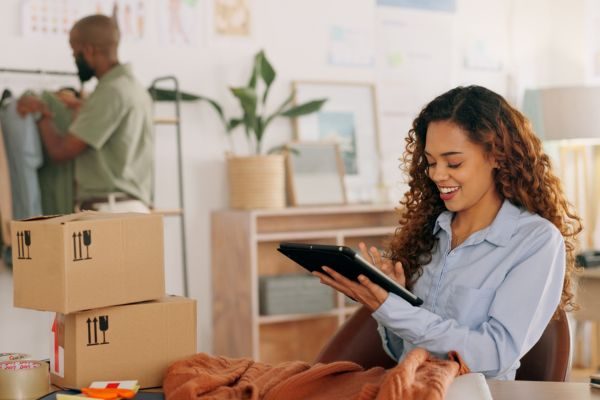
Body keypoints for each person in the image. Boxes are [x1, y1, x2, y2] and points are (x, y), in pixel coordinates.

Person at [313, 85, 582, 380]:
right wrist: (391, 302)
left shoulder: (535, 241)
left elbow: (494, 354)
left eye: (454, 162)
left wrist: (393, 309)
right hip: (409, 389)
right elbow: (403, 350)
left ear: (496, 156)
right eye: (430, 162)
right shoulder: (429, 232)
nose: (437, 174)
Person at [17, 14, 153, 213]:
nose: (74, 60)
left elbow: (61, 151)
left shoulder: (110, 92)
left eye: (75, 53)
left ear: (88, 50)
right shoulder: (134, 88)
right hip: (130, 207)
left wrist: (41, 114)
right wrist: (84, 107)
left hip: (109, 210)